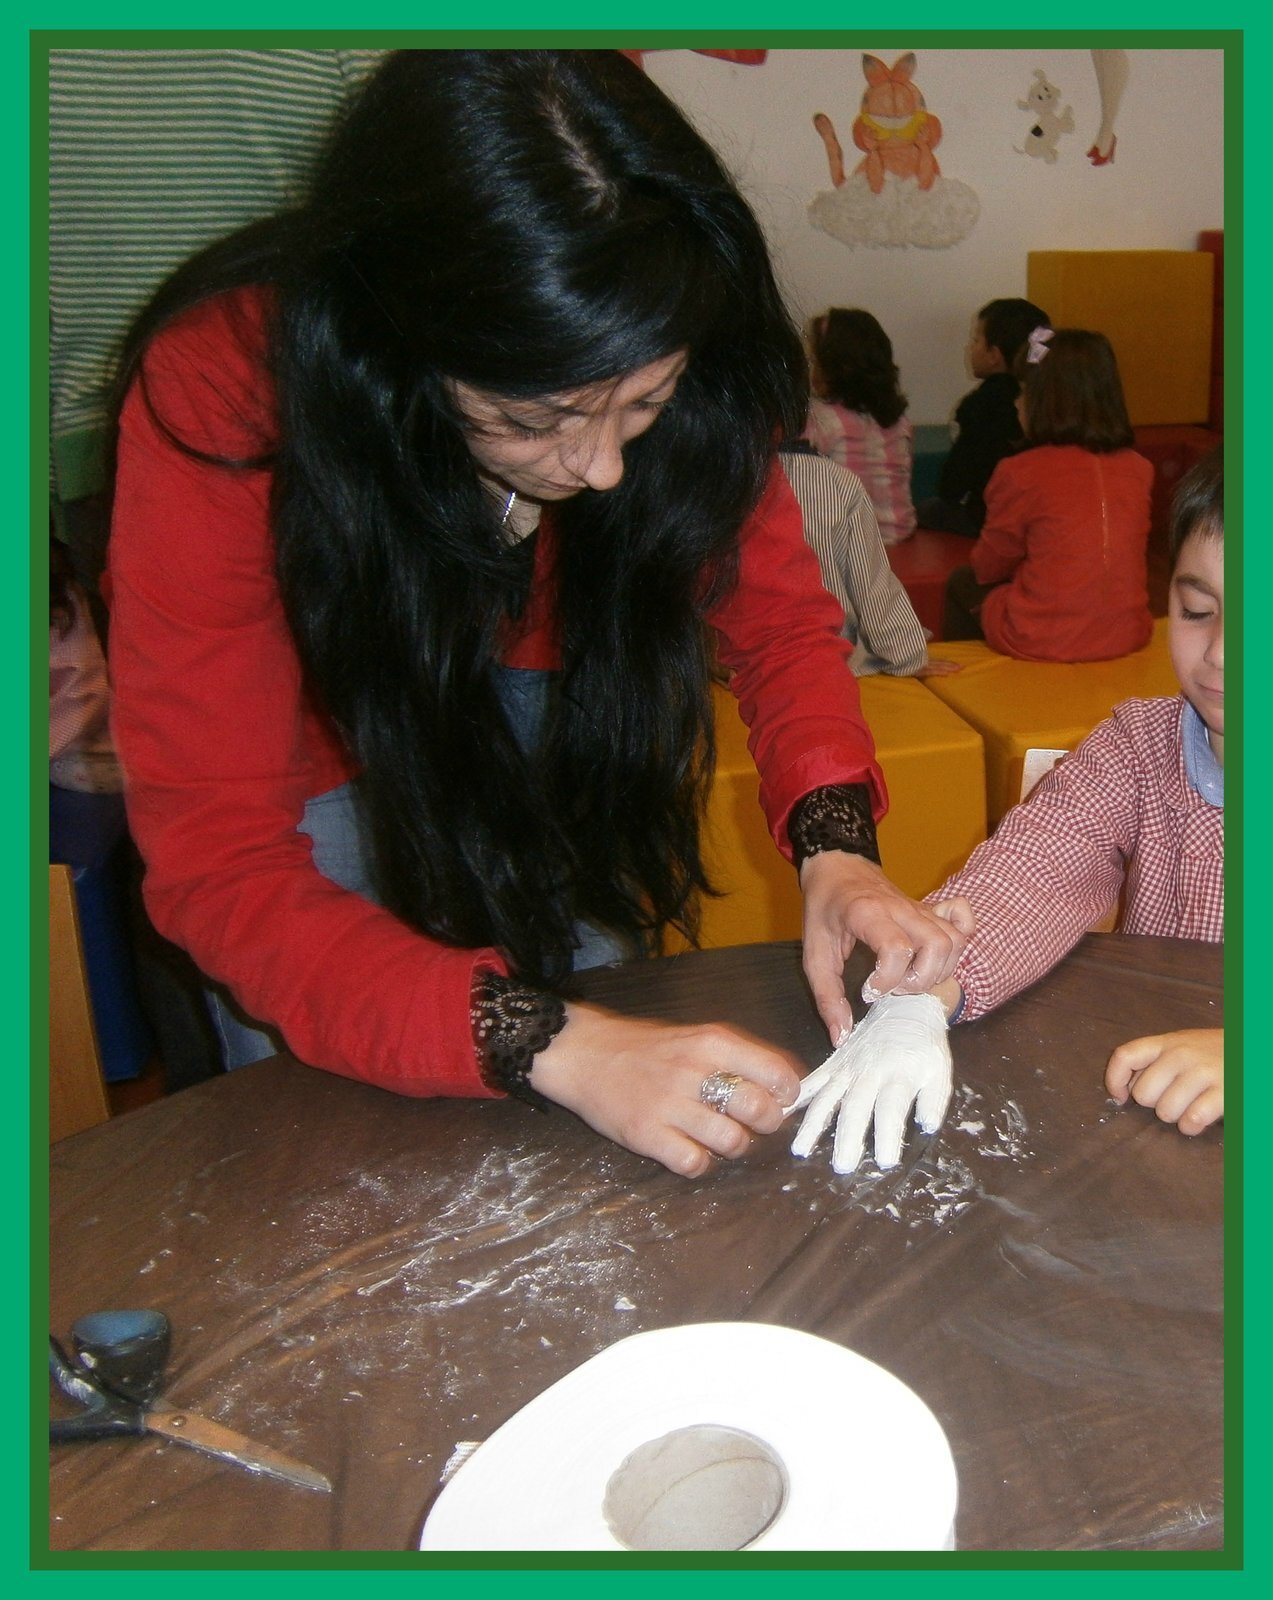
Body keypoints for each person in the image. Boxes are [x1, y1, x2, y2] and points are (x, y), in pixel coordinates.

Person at [105, 50, 967, 1179]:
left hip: (554, 702)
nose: (600, 470)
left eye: (645, 402)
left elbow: (779, 626)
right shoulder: (225, 386)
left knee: (595, 1050)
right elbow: (221, 862)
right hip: (307, 747)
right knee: (341, 1147)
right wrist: (550, 1041)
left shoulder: (673, 324)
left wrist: (835, 850)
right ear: (397, 346)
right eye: (532, 418)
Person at [789, 448, 1223, 1171]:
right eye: (1197, 611)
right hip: (1151, 1111)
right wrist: (923, 994)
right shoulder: (1140, 746)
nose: (1221, 654)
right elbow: (1034, 868)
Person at [942, 327, 1153, 661]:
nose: (1016, 403)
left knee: (962, 581)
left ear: (1047, 402)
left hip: (1043, 638)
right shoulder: (1138, 469)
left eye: (1024, 391)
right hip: (1127, 631)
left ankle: (965, 676)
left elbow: (989, 565)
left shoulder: (1021, 472)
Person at [777, 445, 959, 678]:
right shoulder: (831, 479)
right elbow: (871, 586)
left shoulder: (733, 477)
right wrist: (906, 656)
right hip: (826, 658)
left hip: (746, 664)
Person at [917, 296, 1050, 537]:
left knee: (926, 509)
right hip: (1041, 512)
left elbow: (954, 483)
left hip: (988, 516)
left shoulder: (980, 405)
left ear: (994, 355)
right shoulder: (1049, 395)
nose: (969, 347)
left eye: (975, 340)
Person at [802, 308, 916, 545]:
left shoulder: (819, 420)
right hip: (898, 534)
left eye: (814, 361)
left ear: (832, 368)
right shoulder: (899, 421)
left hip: (848, 544)